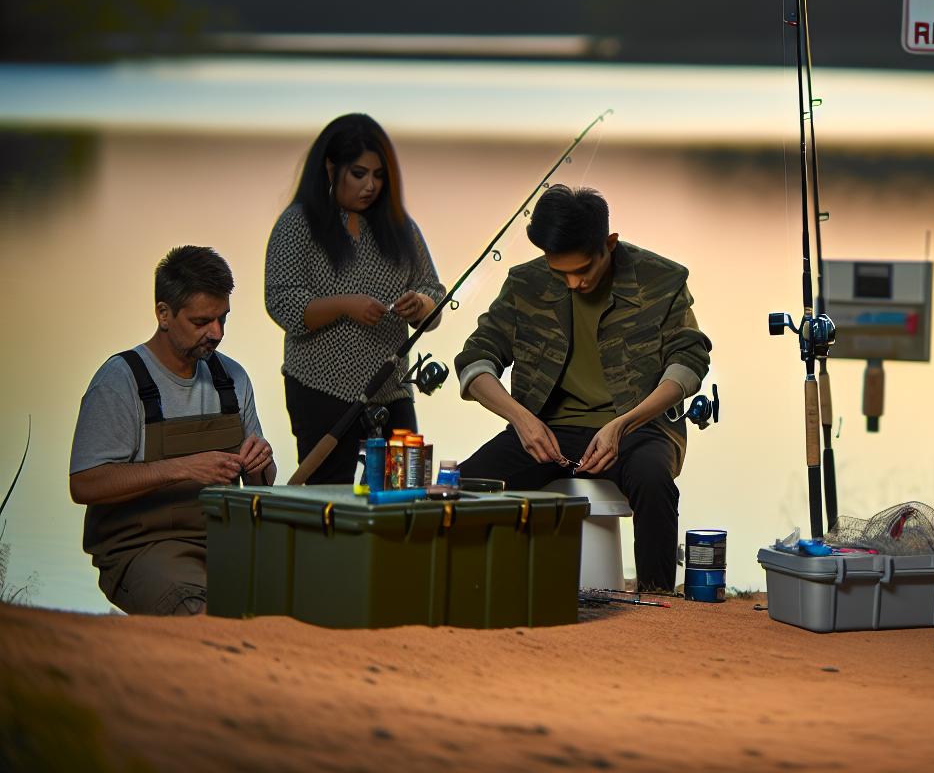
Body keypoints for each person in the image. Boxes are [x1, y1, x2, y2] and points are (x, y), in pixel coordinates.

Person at [455, 185, 711, 592]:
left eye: (583, 271)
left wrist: (625, 423)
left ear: (608, 244)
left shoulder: (661, 280)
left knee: (653, 481)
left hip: (638, 429)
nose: (572, 283)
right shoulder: (525, 284)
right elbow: (476, 360)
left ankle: (657, 598)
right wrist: (521, 420)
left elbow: (690, 361)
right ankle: (472, 589)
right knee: (466, 486)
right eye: (561, 273)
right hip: (544, 432)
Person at [69, 246, 275, 615]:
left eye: (223, 319)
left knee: (301, 600)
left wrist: (260, 463)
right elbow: (84, 484)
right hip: (142, 548)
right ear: (163, 313)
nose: (217, 333)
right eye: (202, 322)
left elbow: (260, 486)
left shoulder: (233, 378)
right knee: (199, 613)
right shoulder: (120, 381)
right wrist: (181, 468)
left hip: (224, 542)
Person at [264, 114, 445, 484]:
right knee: (329, 496)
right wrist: (345, 305)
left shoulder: (401, 227)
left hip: (393, 389)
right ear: (331, 168)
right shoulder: (298, 223)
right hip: (320, 386)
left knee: (407, 489)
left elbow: (433, 292)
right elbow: (281, 301)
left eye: (379, 176)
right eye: (359, 174)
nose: (370, 186)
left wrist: (422, 306)